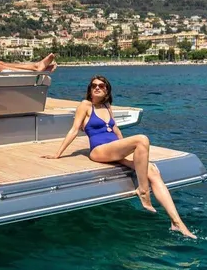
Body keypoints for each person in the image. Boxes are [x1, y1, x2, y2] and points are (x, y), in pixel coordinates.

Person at [42, 75, 196, 239]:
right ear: (90, 89)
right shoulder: (85, 105)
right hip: (99, 151)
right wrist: (57, 154)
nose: (97, 88)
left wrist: (125, 148)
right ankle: (143, 191)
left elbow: (115, 130)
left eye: (101, 85)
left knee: (152, 171)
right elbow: (74, 130)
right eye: (94, 85)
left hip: (114, 149)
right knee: (142, 139)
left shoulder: (108, 106)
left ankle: (177, 223)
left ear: (107, 89)